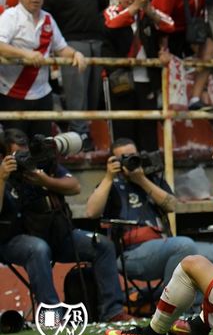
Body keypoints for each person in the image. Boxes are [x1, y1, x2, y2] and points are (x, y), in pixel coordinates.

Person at [0, 128, 128, 322]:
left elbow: (75, 187)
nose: (24, 158)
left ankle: (113, 311)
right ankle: (53, 318)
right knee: (38, 249)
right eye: (18, 154)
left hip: (56, 234)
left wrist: (45, 180)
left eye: (26, 152)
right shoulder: (3, 174)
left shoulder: (42, 165)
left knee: (102, 245)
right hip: (14, 240)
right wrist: (2, 178)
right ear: (4, 156)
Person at [85, 138, 213, 289]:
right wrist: (108, 177)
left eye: (133, 155)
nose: (130, 161)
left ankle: (194, 308)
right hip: (131, 253)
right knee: (184, 246)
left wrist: (141, 180)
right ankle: (172, 305)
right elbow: (92, 212)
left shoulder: (151, 179)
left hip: (163, 244)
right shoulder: (110, 185)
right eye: (123, 158)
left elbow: (172, 206)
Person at [37, 0, 107, 148]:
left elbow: (104, 4)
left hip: (97, 41)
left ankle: (85, 133)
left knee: (93, 95)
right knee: (76, 94)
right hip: (71, 43)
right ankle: (79, 136)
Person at [0, 0, 86, 137]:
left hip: (42, 94)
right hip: (12, 93)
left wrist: (76, 53)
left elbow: (61, 48)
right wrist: (26, 54)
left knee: (42, 147)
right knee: (15, 148)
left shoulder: (48, 18)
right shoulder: (10, 16)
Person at [102, 0, 174, 151]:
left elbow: (169, 25)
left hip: (147, 80)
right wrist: (136, 7)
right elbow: (111, 24)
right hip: (119, 80)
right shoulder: (112, 11)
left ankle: (150, 173)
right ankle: (123, 173)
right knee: (123, 130)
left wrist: (148, 9)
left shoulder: (147, 12)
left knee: (148, 130)